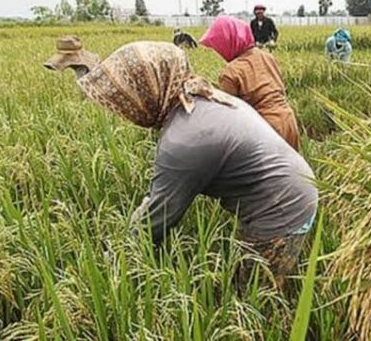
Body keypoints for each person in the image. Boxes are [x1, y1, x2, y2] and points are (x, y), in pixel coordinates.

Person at [43, 39, 318, 288]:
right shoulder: (203, 97)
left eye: (126, 101)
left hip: (282, 209)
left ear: (147, 92)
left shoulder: (184, 140)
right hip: (295, 187)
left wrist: (113, 262)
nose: (125, 111)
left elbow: (156, 219)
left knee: (251, 296)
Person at [200, 15, 301, 150]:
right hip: (288, 120)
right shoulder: (268, 57)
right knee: (293, 169)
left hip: (264, 129)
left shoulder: (231, 72)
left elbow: (228, 115)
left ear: (229, 42)